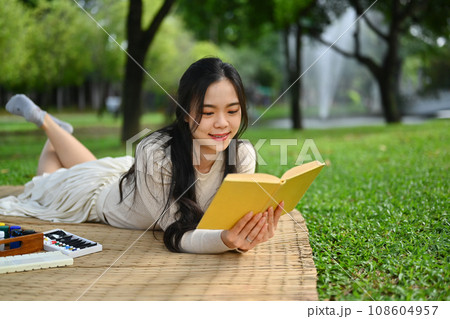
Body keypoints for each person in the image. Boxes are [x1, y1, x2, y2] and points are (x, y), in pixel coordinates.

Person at [0, 57, 284, 254]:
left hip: (131, 179)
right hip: (98, 201)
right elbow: (176, 234)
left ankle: (57, 131)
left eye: (232, 111)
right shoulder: (155, 154)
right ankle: (47, 125)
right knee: (45, 183)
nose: (222, 123)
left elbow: (232, 218)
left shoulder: (242, 154)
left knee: (90, 167)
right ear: (185, 113)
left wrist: (251, 229)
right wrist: (225, 240)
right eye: (208, 112)